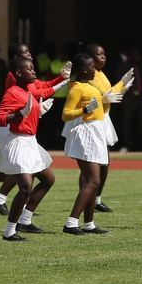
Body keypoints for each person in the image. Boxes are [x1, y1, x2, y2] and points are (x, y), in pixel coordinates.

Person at [0, 57, 56, 241]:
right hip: (18, 142)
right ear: (19, 73)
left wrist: (39, 111)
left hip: (30, 142)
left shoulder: (28, 90)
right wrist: (18, 114)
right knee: (25, 187)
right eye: (30, 69)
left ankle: (25, 219)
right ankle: (9, 231)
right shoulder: (12, 92)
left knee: (48, 179)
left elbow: (29, 114)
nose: (34, 71)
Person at [61, 53, 109, 235]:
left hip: (96, 131)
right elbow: (66, 114)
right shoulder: (77, 89)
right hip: (87, 133)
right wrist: (85, 109)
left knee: (93, 181)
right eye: (91, 67)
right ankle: (71, 223)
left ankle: (89, 223)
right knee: (93, 180)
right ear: (83, 69)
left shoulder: (88, 86)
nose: (94, 70)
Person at [86, 43, 134, 213]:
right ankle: (88, 198)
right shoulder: (88, 75)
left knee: (104, 163)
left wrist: (122, 85)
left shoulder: (101, 73)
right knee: (92, 164)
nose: (103, 57)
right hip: (92, 119)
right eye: (99, 55)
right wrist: (103, 99)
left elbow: (109, 92)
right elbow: (90, 98)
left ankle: (96, 199)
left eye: (104, 54)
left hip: (104, 118)